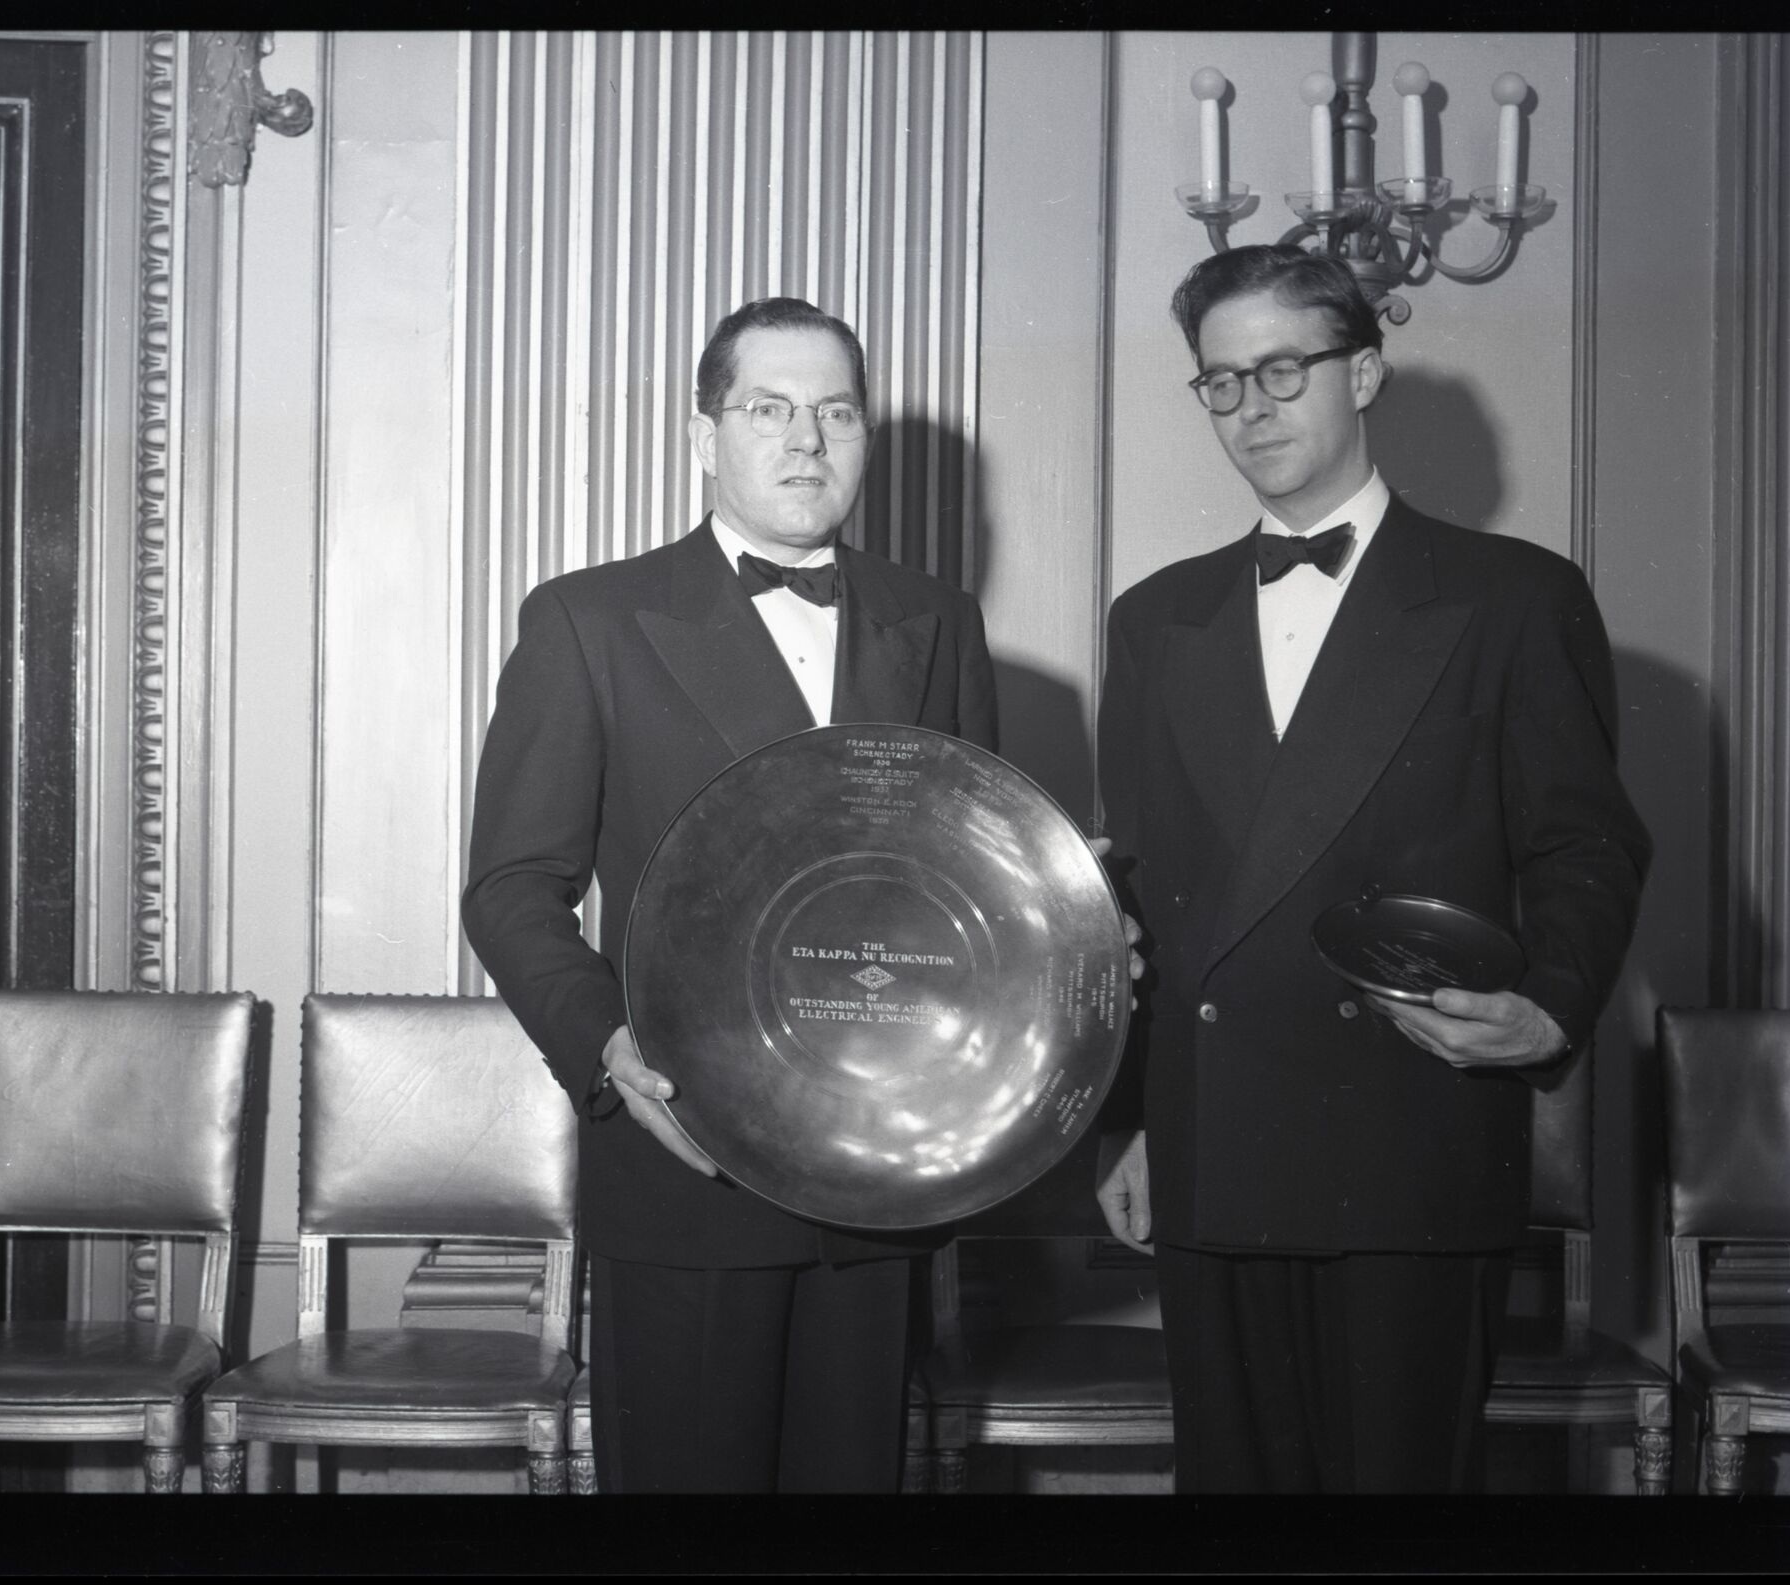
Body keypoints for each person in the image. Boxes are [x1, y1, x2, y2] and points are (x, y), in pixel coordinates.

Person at [1091, 245, 1650, 1493]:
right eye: (1221, 381)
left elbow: (1585, 843)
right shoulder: (1154, 618)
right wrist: (1127, 1119)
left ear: (1362, 374)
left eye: (1282, 370)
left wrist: (1549, 1005)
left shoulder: (1513, 596)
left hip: (1411, 1128)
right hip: (1210, 1138)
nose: (1250, 408)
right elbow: (1134, 894)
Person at [462, 297, 997, 1493]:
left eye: (836, 413)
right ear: (705, 436)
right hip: (686, 1159)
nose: (806, 440)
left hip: (879, 1173)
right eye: (769, 409)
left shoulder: (938, 621)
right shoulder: (588, 619)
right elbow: (510, 888)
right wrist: (608, 1050)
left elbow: (961, 892)